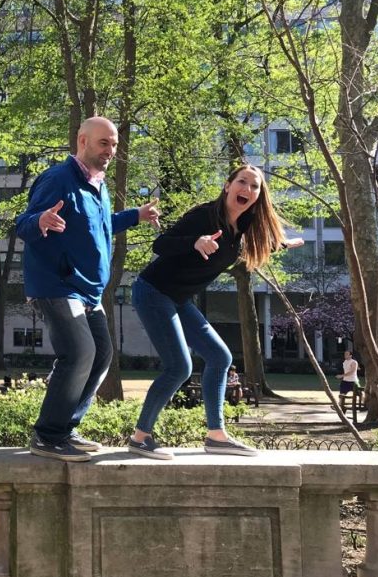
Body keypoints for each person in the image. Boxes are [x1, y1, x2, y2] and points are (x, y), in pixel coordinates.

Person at [127, 164, 303, 460]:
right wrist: (195, 241)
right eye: (242, 182)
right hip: (153, 291)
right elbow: (161, 244)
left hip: (179, 299)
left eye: (254, 186)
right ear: (227, 185)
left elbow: (253, 248)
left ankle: (216, 436)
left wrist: (282, 244)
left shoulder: (242, 228)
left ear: (258, 196)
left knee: (220, 357)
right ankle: (140, 437)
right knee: (179, 368)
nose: (247, 189)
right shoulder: (205, 216)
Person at [15, 117, 160, 462]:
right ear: (82, 141)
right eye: (103, 143)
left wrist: (135, 215)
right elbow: (22, 224)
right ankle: (48, 435)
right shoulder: (58, 179)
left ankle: (66, 427)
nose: (111, 150)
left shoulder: (98, 185)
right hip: (57, 284)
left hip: (88, 290)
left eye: (114, 144)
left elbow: (102, 225)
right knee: (79, 352)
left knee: (102, 354)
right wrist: (40, 221)